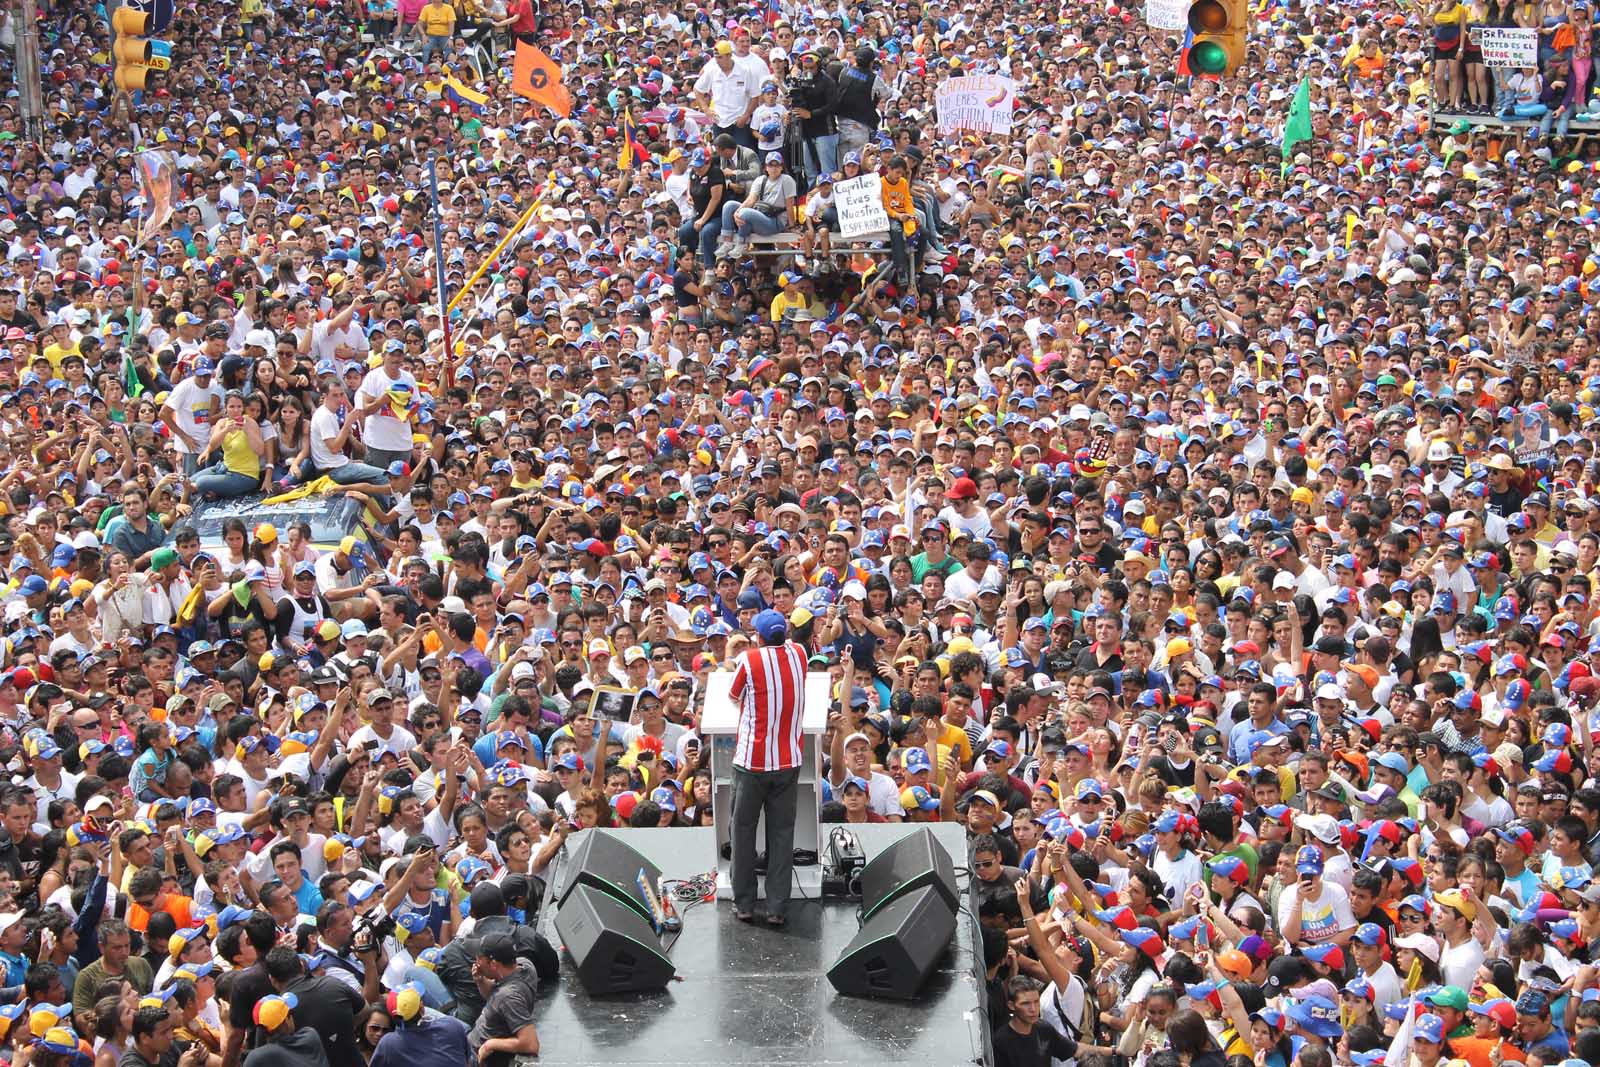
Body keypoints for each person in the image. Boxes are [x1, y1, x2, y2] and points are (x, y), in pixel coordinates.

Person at [727, 609, 808, 927]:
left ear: (758, 638)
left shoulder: (749, 660)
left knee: (743, 832)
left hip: (752, 764)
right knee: (782, 834)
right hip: (788, 761)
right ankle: (776, 908)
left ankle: (745, 904)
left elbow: (734, 695)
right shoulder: (800, 653)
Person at [465, 934, 539, 1067]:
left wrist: (490, 1045)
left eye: (478, 958)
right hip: (472, 1038)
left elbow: (530, 1043)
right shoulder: (525, 965)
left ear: (493, 964)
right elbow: (495, 1000)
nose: (475, 962)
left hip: (477, 1056)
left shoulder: (508, 997)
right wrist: (481, 980)